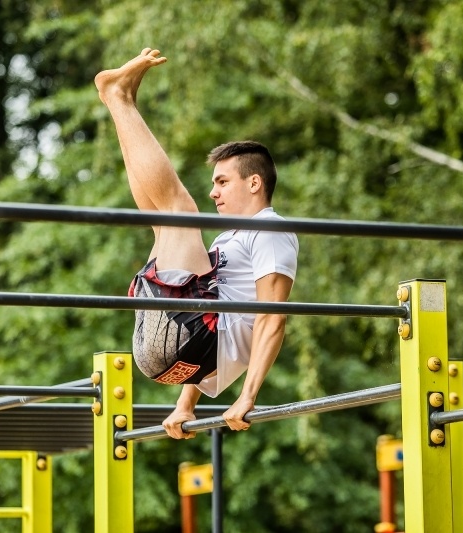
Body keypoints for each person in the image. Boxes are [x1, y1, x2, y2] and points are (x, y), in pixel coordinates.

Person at [94, 48, 299, 440]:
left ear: (254, 183)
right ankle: (120, 102)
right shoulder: (227, 238)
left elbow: (272, 318)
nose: (214, 192)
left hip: (187, 344)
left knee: (178, 209)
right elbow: (208, 310)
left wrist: (247, 396)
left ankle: (118, 98)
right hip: (171, 350)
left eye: (223, 182)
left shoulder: (270, 229)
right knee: (163, 220)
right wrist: (185, 404)